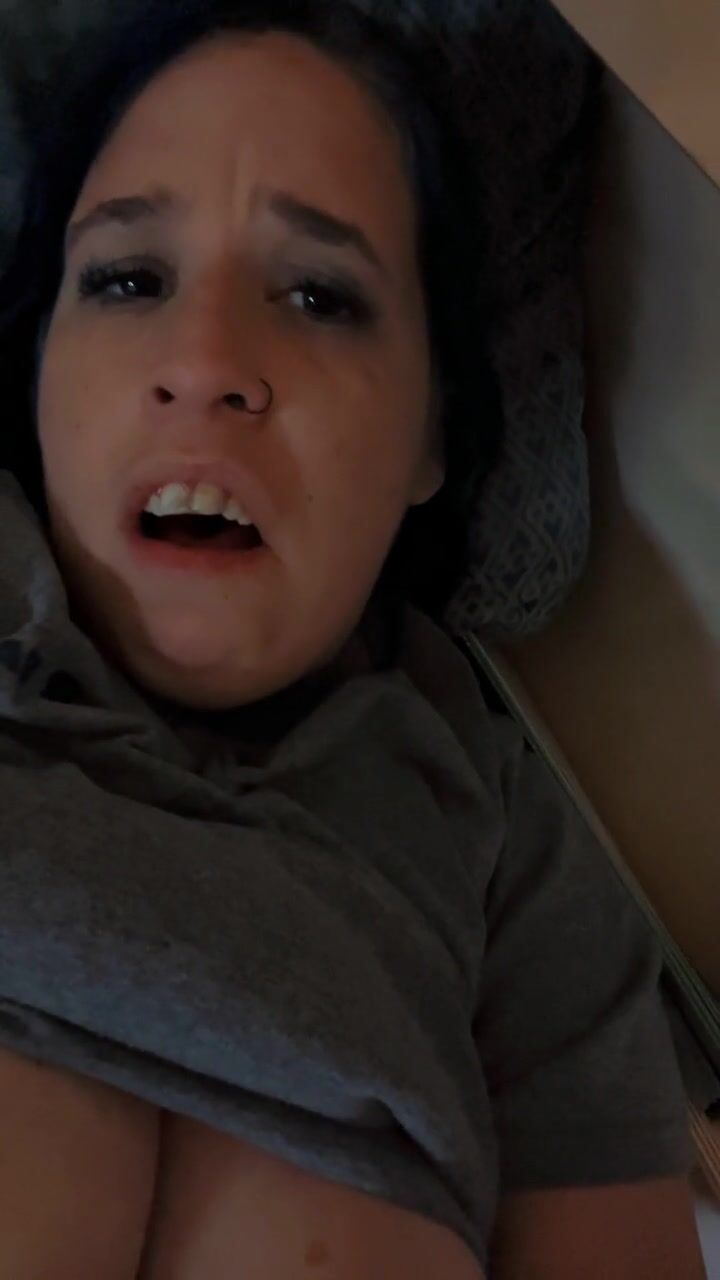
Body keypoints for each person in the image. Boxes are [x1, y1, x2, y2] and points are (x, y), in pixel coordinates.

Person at [0, 2, 707, 1277]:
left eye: (321, 296)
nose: (204, 359)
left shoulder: (511, 847)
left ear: (433, 435)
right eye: (127, 279)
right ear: (38, 363)